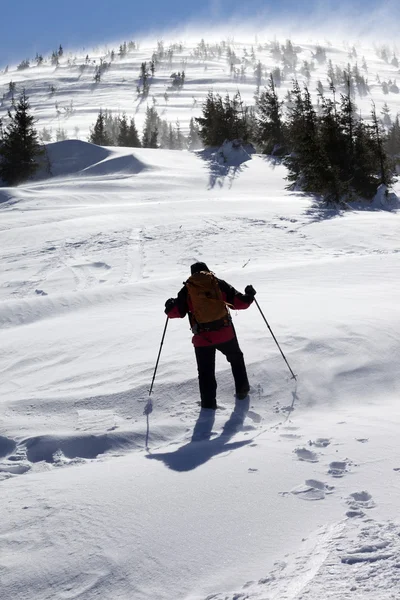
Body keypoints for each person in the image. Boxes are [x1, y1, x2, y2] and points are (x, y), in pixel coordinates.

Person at [164, 262, 256, 410]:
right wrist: (250, 295)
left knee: (205, 372)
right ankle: (242, 391)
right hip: (225, 333)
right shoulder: (217, 283)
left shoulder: (188, 289)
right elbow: (240, 303)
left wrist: (169, 306)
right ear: (207, 270)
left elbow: (175, 313)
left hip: (202, 338)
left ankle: (208, 406)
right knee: (236, 358)